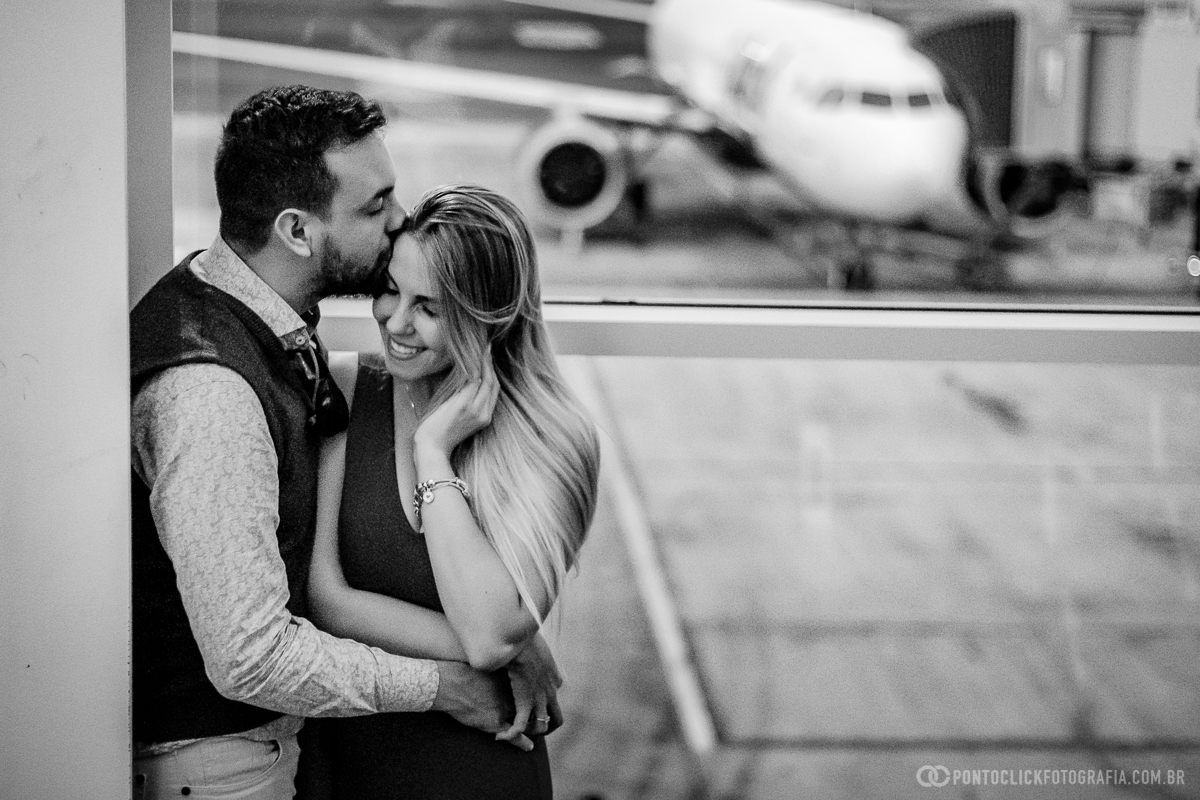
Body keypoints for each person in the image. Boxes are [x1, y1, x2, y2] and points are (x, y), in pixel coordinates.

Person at [130, 87, 540, 800]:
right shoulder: (212, 395)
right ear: (297, 230)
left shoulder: (254, 313)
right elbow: (249, 659)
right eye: (374, 206)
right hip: (222, 768)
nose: (400, 221)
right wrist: (447, 687)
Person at [306, 184, 602, 799]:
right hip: (354, 759)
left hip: (482, 768)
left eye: (431, 308)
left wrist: (433, 451)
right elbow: (326, 599)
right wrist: (518, 652)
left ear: (486, 316)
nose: (395, 322)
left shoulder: (553, 437)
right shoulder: (348, 386)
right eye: (390, 290)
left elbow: (490, 631)